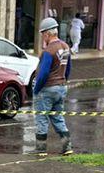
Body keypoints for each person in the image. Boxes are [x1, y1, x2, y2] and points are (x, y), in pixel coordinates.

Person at [30, 16, 73, 156]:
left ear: (48, 33)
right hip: (61, 87)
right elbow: (68, 69)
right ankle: (67, 147)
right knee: (58, 117)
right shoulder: (66, 47)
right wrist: (63, 81)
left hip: (47, 89)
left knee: (42, 119)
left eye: (43, 34)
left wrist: (36, 90)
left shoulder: (48, 51)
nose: (43, 37)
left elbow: (43, 74)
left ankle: (41, 150)